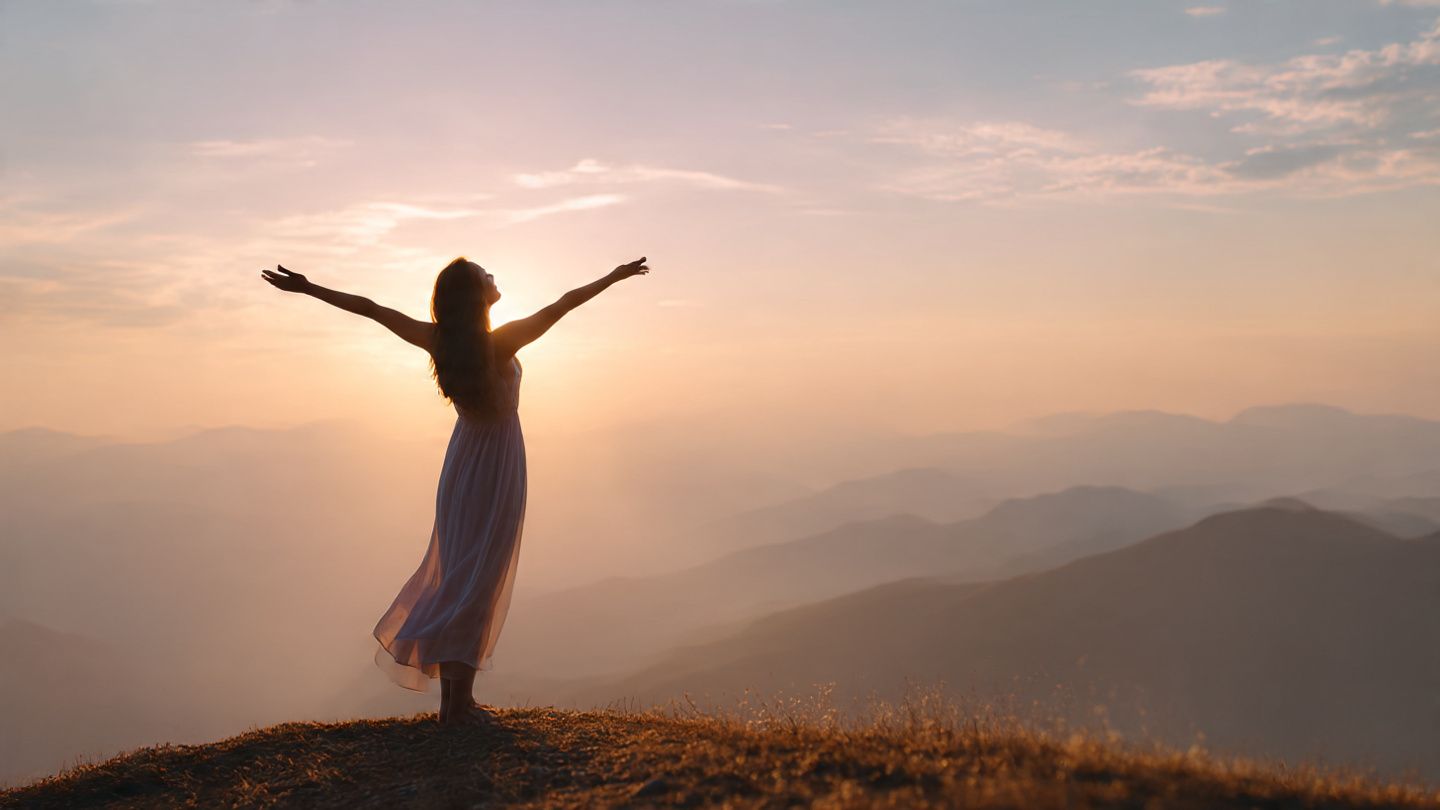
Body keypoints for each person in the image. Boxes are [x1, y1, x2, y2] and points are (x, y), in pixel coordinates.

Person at [261, 255, 651, 725]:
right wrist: (614, 276)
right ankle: (458, 707)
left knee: (460, 574)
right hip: (496, 466)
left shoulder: (440, 341)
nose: (493, 275)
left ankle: (455, 703)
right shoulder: (500, 343)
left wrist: (310, 288)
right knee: (479, 577)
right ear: (474, 296)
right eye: (485, 274)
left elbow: (370, 308)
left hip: (462, 464)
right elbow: (563, 304)